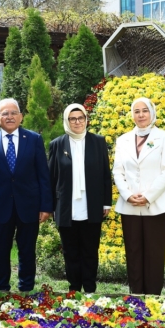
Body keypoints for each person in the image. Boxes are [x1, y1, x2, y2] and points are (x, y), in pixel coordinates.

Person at [0, 98, 53, 292]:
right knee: (0, 251)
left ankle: (26, 288)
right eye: (5, 113)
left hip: (29, 206)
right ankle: (0, 289)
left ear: (20, 117)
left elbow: (43, 175)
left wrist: (46, 206)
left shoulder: (34, 139)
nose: (9, 117)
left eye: (13, 113)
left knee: (27, 251)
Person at [112, 97, 165, 295]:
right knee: (133, 253)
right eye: (137, 111)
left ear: (152, 113)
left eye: (144, 111)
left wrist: (148, 196)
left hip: (156, 206)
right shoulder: (122, 140)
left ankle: (154, 297)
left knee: (154, 254)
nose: (141, 115)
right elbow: (118, 171)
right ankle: (136, 296)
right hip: (129, 206)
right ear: (132, 115)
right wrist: (128, 195)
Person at [48, 103, 112, 293]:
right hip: (66, 207)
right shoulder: (57, 144)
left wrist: (106, 202)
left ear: (86, 119)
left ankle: (90, 289)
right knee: (70, 252)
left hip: (91, 205)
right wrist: (51, 206)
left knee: (90, 251)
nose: (77, 122)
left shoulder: (98, 141)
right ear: (66, 121)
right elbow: (52, 178)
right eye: (73, 119)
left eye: (81, 118)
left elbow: (105, 174)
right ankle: (74, 289)